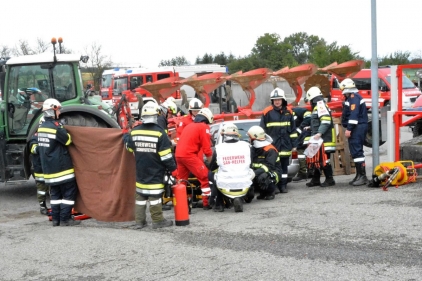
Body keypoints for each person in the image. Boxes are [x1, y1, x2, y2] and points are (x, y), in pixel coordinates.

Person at [123, 102, 177, 229]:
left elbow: (129, 149)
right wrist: (173, 169)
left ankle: (139, 222)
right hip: (155, 170)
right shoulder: (159, 133)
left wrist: (125, 137)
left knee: (140, 196)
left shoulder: (135, 132)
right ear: (156, 115)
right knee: (155, 196)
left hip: (141, 170)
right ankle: (158, 220)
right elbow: (166, 156)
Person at [37, 98, 80, 226]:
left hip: (49, 169)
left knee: (55, 194)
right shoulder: (55, 127)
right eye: (58, 110)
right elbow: (67, 141)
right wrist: (62, 129)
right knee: (69, 191)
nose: (59, 113)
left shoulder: (41, 128)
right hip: (62, 168)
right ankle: (65, 219)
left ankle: (56, 220)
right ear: (52, 110)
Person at [209, 123, 255, 212]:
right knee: (251, 171)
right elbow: (250, 164)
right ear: (237, 134)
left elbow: (213, 166)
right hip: (244, 180)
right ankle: (245, 196)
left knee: (212, 175)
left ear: (224, 135)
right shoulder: (246, 146)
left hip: (225, 181)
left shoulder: (219, 148)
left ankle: (219, 204)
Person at [175, 108, 214, 210]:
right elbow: (207, 149)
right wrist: (212, 164)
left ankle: (181, 204)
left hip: (179, 155)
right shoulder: (203, 127)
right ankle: (207, 202)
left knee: (181, 181)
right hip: (189, 156)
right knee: (205, 177)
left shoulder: (190, 126)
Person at [260, 88, 297, 193]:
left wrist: (294, 144)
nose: (277, 101)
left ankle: (283, 186)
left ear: (283, 100)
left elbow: (293, 130)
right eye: (275, 99)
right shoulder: (267, 112)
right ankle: (274, 186)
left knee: (284, 167)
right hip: (272, 146)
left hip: (285, 145)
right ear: (272, 101)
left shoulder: (289, 112)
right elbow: (262, 130)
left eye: (279, 99)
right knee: (273, 167)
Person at [303, 86, 336, 187]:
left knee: (324, 159)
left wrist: (319, 133)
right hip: (319, 139)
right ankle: (316, 179)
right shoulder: (319, 105)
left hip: (323, 139)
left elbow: (325, 121)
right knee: (315, 158)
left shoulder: (320, 105)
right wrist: (311, 127)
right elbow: (319, 121)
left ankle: (330, 179)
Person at [340, 78, 369, 186]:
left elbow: (353, 115)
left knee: (357, 151)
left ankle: (362, 176)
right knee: (355, 151)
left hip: (357, 127)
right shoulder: (352, 98)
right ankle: (359, 175)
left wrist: (349, 129)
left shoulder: (354, 98)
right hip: (358, 127)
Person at [247, 125, 280, 200]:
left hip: (273, 172)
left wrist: (254, 173)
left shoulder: (270, 150)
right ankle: (260, 193)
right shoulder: (253, 148)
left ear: (254, 138)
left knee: (263, 177)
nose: (249, 139)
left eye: (250, 137)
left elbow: (269, 166)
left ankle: (270, 192)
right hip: (258, 172)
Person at [29, 117, 50, 215]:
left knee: (51, 188)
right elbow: (33, 149)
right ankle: (42, 207)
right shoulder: (35, 137)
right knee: (42, 189)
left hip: (48, 168)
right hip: (40, 169)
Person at [292, 107, 312, 182]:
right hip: (303, 135)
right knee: (306, 154)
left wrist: (299, 129)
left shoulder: (298, 110)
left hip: (305, 135)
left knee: (301, 152)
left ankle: (303, 173)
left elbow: (308, 117)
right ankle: (308, 172)